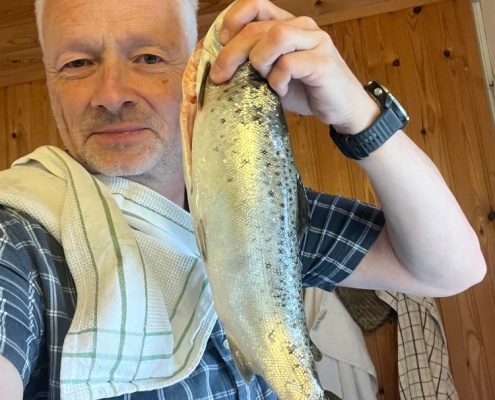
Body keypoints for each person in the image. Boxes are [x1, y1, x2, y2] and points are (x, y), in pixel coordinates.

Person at [0, 0, 486, 398]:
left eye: (148, 57)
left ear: (194, 70)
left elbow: (451, 270)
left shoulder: (261, 208)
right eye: (77, 63)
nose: (111, 94)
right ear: (50, 80)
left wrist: (360, 116)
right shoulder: (18, 237)